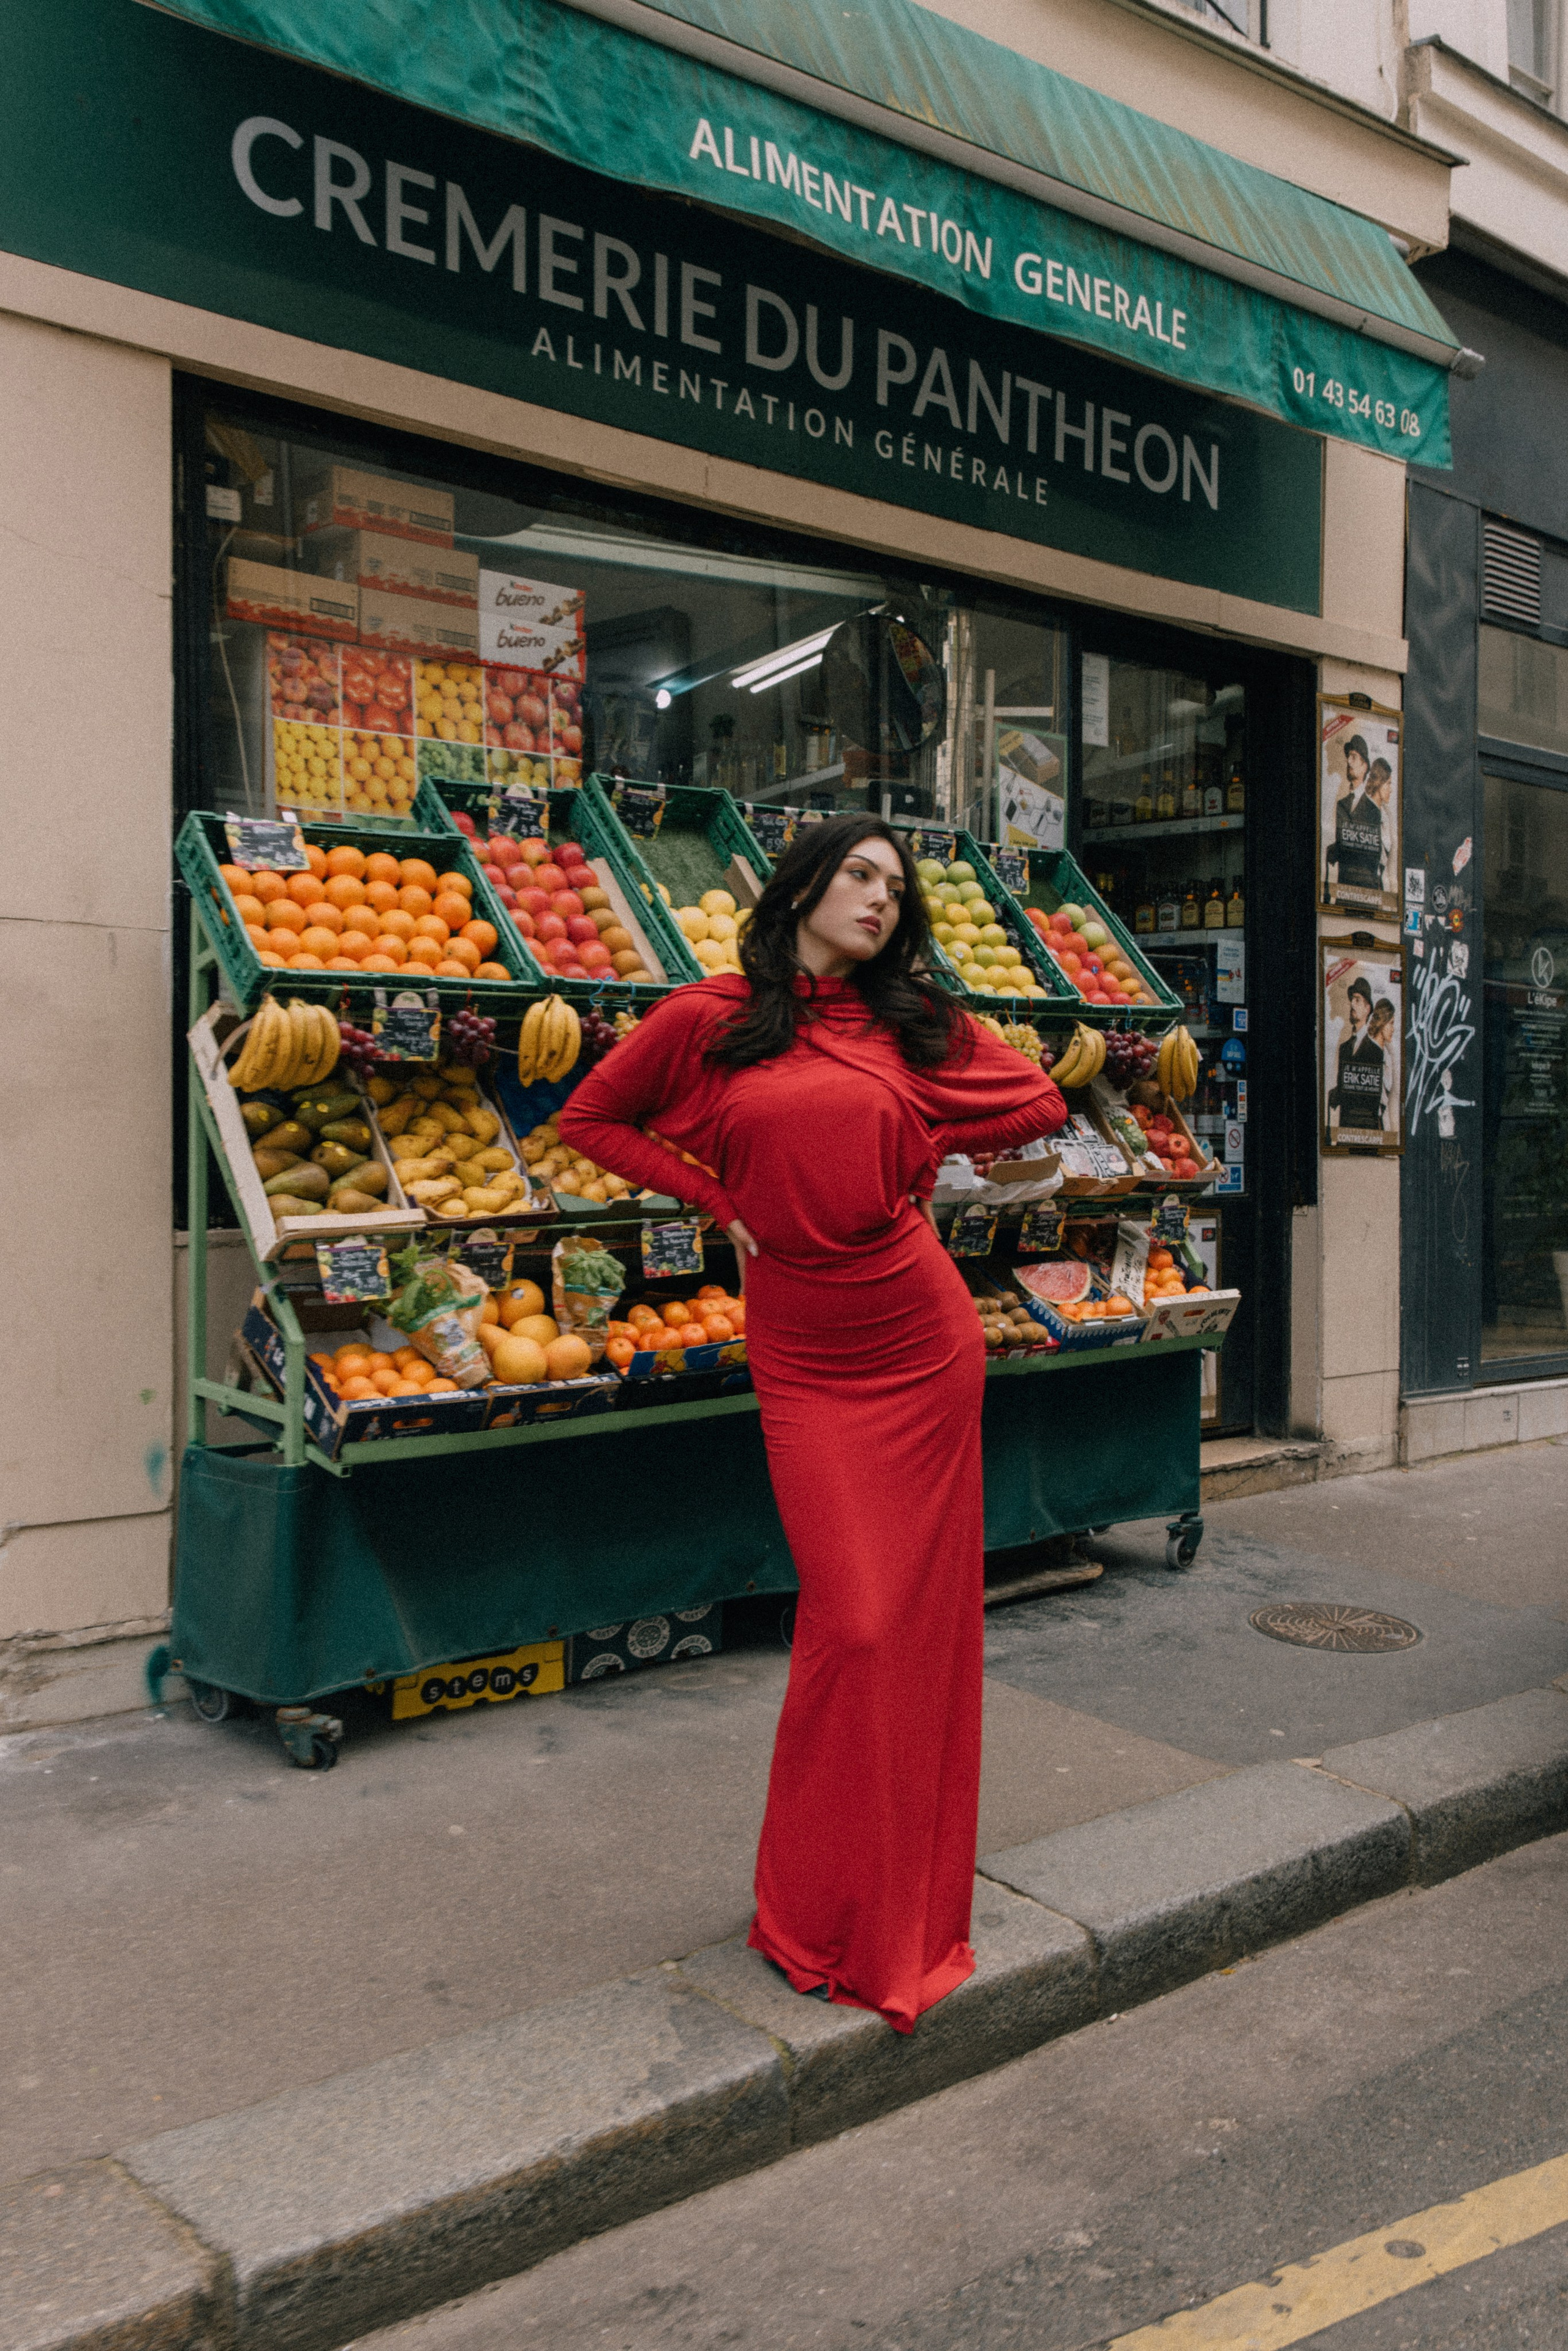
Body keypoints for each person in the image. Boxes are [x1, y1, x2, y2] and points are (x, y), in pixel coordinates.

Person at [560, 817, 1066, 2031]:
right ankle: (813, 1905)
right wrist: (717, 1196)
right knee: (854, 1616)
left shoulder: (915, 1026)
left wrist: (921, 1132)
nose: (881, 898)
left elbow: (1038, 1100)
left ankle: (891, 1915)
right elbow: (593, 1120)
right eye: (859, 874)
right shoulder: (710, 1018)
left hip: (917, 1334)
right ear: (799, 886)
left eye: (896, 885)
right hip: (802, 1349)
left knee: (907, 1624)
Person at [1327, 736, 1384, 900]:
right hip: (1344, 893)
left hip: (1365, 896)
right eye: (1348, 757)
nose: (1349, 762)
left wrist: (1338, 849)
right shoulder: (1342, 804)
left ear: (1365, 766)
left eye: (1354, 757)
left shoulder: (1374, 810)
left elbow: (1371, 853)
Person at [1328, 975, 1385, 1131]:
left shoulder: (1376, 1052)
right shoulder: (1344, 1048)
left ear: (1368, 1009)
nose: (1352, 1004)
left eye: (1358, 1000)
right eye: (1352, 1000)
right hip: (1346, 1132)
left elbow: (1372, 1097)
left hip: (1366, 1133)